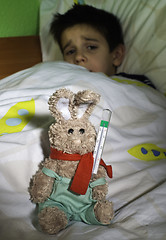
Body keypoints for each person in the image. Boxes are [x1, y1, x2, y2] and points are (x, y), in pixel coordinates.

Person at [50, 4, 155, 88]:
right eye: (71, 51)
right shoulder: (58, 86)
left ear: (116, 55)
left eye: (91, 47)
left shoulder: (133, 85)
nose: (78, 57)